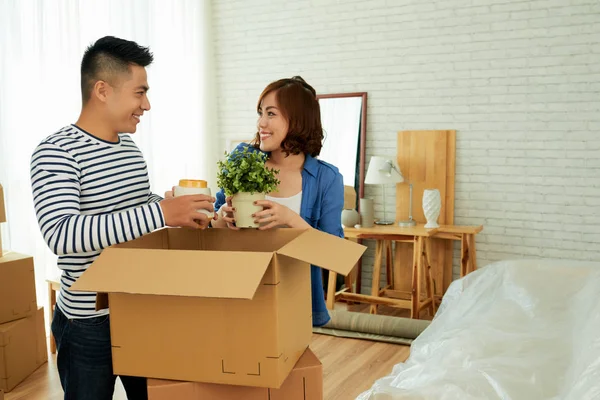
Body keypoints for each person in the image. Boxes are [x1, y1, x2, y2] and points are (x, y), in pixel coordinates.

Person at [30, 36, 214, 400]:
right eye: (139, 92)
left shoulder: (128, 147)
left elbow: (133, 204)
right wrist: (160, 211)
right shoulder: (55, 152)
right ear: (102, 90)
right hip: (87, 324)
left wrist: (174, 207)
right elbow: (63, 234)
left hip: (140, 309)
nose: (146, 104)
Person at [212, 76, 344, 327]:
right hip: (236, 292)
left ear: (297, 120)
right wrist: (223, 217)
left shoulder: (327, 178)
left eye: (271, 113)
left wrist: (289, 219)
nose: (261, 123)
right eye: (260, 113)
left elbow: (334, 255)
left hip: (292, 301)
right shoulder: (243, 157)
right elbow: (211, 225)